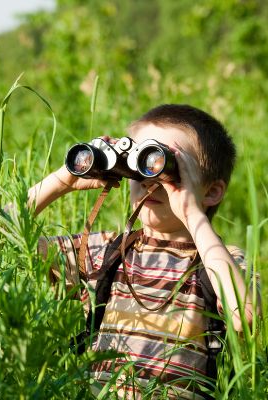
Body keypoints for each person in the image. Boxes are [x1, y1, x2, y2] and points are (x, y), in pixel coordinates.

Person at [28, 104, 259, 398]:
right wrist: (62, 181)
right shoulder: (105, 252)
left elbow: (245, 316)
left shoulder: (220, 262)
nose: (150, 179)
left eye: (168, 166)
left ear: (211, 191)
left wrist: (192, 214)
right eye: (140, 163)